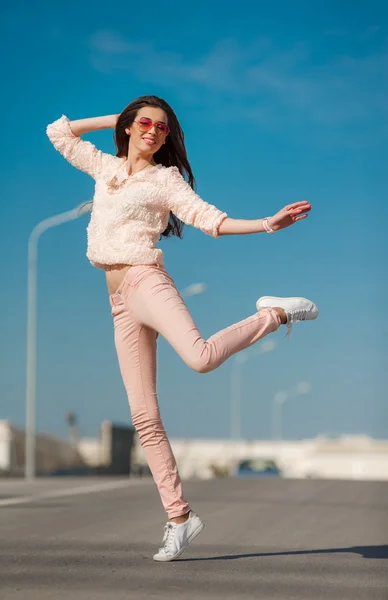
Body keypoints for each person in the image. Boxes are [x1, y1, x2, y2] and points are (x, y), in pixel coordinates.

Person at [46, 95, 318, 562]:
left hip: (146, 280)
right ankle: (179, 518)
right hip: (118, 303)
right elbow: (58, 132)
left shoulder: (165, 180)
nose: (153, 132)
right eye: (145, 123)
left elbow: (210, 220)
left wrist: (268, 225)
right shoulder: (104, 167)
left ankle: (274, 314)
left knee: (201, 357)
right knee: (144, 419)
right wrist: (118, 118)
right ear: (131, 127)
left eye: (163, 128)